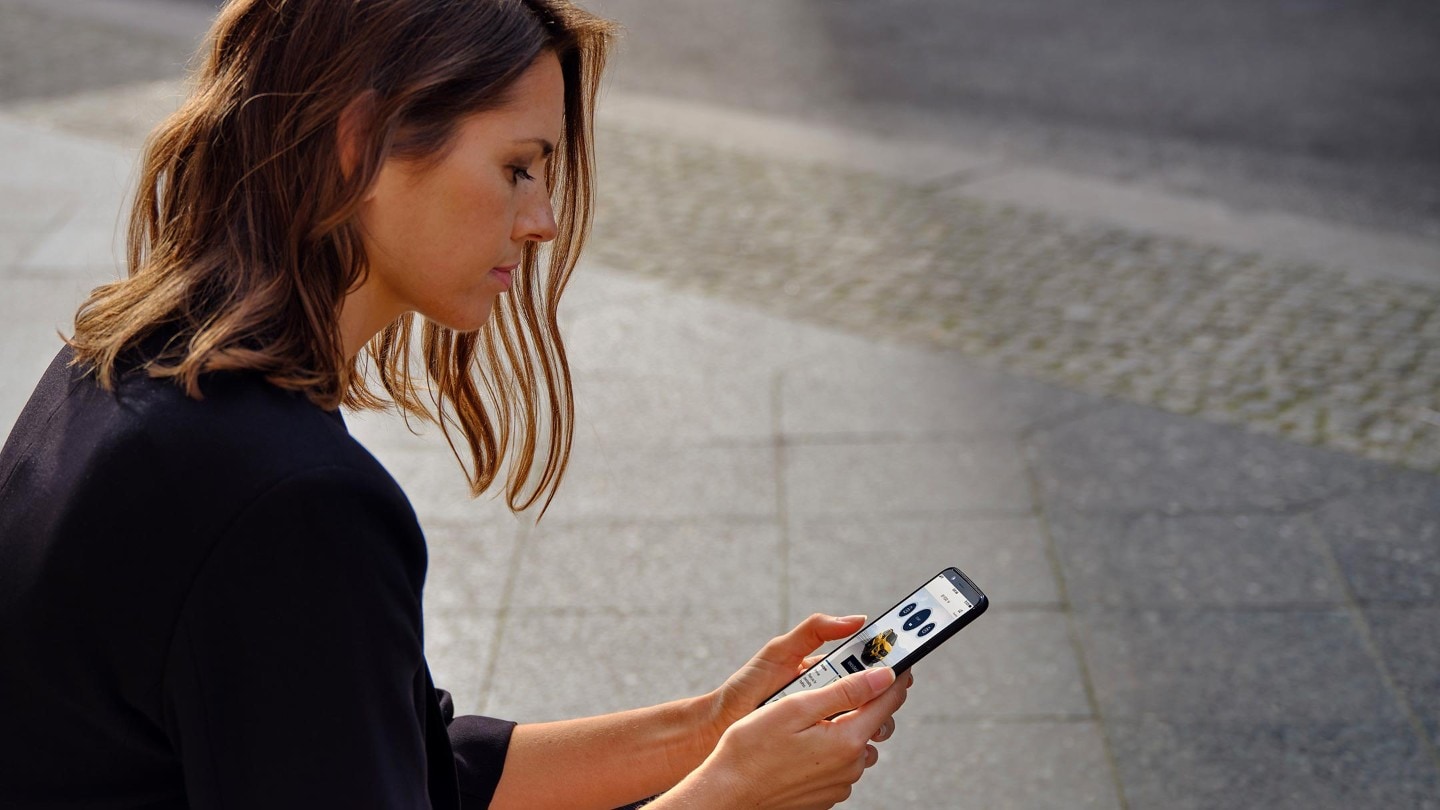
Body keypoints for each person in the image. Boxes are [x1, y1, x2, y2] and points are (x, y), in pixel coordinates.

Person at [0, 1, 911, 808]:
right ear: (361, 142)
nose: (545, 219)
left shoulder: (119, 359)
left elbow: (401, 757)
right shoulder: (289, 504)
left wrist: (705, 729)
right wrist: (733, 798)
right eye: (519, 167)